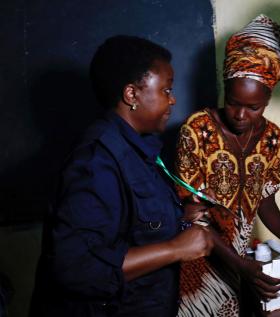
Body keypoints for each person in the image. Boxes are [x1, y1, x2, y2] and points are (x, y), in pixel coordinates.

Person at [29, 35, 214, 317]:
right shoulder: (96, 162)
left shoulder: (137, 148)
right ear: (132, 94)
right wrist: (175, 249)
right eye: (166, 90)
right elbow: (76, 268)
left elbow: (130, 225)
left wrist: (182, 215)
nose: (173, 99)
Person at [174, 15, 280, 317]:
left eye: (253, 107)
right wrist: (243, 266)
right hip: (199, 265)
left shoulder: (271, 138)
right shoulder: (197, 130)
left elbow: (264, 200)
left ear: (269, 97)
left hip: (242, 262)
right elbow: (192, 214)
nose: (240, 115)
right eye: (232, 101)